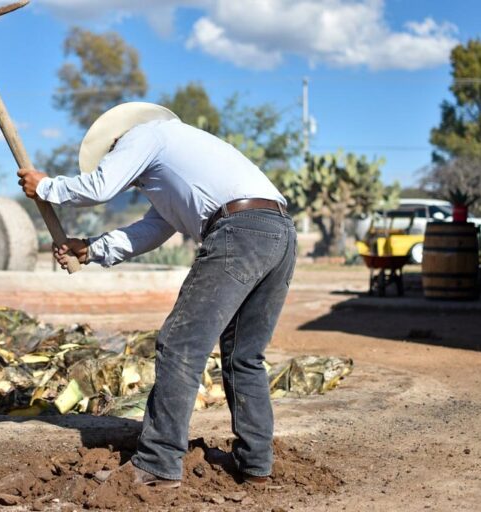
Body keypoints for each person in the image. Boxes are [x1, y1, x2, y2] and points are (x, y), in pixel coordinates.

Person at [18, 102, 296, 487]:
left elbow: (101, 186)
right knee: (244, 356)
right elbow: (151, 230)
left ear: (117, 144)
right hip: (278, 231)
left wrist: (45, 187)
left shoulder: (143, 135)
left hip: (240, 229)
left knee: (181, 344)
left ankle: (157, 463)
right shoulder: (176, 163)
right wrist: (92, 249)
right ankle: (256, 466)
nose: (131, 181)